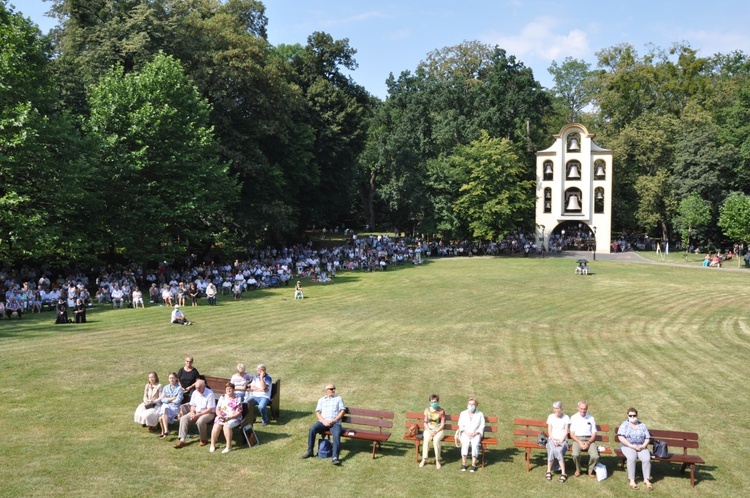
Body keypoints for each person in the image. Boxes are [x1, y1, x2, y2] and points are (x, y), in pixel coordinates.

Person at [300, 383, 345, 465]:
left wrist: (335, 420)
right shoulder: (321, 400)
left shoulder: (338, 398)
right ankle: (310, 452)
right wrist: (324, 421)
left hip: (335, 423)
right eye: (331, 389)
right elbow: (317, 412)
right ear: (327, 390)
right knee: (312, 429)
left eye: (334, 388)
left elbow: (342, 411)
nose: (333, 390)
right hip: (323, 422)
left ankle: (335, 457)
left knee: (336, 435)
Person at [618, 407, 653, 490]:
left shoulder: (642, 425)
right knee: (631, 458)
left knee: (646, 458)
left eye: (634, 415)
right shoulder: (624, 424)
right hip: (627, 446)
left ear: (637, 415)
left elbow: (647, 438)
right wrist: (631, 445)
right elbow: (621, 437)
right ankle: (632, 480)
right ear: (627, 415)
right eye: (630, 415)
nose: (632, 417)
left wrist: (643, 446)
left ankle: (646, 479)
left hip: (641, 446)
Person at [174, 379, 216, 449]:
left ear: (204, 386)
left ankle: (204, 440)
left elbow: (210, 409)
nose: (197, 389)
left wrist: (198, 415)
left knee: (200, 421)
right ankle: (182, 440)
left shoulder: (210, 393)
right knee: (184, 418)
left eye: (199, 387)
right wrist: (192, 413)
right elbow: (192, 405)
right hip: (196, 411)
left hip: (208, 413)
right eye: (196, 387)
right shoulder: (195, 392)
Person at [210, 383, 243, 453]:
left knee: (226, 426)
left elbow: (239, 412)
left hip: (234, 418)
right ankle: (212, 445)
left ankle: (229, 446)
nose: (229, 390)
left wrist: (230, 417)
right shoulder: (222, 397)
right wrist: (219, 415)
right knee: (216, 425)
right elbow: (217, 409)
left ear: (233, 389)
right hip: (222, 417)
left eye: (230, 389)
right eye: (227, 389)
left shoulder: (238, 398)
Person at [569, 400, 599, 478]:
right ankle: (578, 469)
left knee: (595, 456)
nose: (583, 410)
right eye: (581, 408)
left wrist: (588, 443)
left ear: (587, 408)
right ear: (578, 408)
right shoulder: (573, 417)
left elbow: (594, 433)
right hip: (577, 439)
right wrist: (580, 442)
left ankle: (589, 470)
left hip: (589, 439)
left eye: (585, 409)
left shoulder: (591, 418)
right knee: (575, 455)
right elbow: (572, 434)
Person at [457, 397, 485, 472]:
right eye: (470, 404)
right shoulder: (463, 413)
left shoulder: (480, 414)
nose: (471, 405)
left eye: (473, 404)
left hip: (476, 434)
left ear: (476, 405)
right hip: (465, 433)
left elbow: (482, 425)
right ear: (467, 404)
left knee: (475, 444)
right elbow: (460, 424)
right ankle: (463, 463)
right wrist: (466, 432)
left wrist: (476, 433)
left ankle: (473, 464)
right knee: (465, 444)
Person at [545, 401, 570, 482]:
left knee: (558, 451)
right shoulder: (550, 417)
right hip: (552, 439)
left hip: (562, 440)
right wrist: (554, 440)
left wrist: (561, 441)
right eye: (555, 408)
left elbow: (566, 431)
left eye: (558, 408)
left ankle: (563, 473)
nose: (556, 410)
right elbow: (549, 431)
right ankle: (548, 471)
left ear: (561, 409)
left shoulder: (566, 417)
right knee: (552, 450)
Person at [419, 394, 446, 469]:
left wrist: (436, 431)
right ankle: (424, 459)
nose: (433, 403)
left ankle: (437, 460)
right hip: (429, 430)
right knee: (426, 440)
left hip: (439, 430)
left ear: (438, 401)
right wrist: (429, 431)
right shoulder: (427, 410)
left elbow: (443, 424)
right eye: (432, 402)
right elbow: (425, 422)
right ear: (430, 402)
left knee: (436, 441)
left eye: (435, 401)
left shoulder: (441, 411)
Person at [157, 372, 183, 438]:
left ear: (176, 379)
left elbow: (178, 401)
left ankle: (165, 431)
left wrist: (167, 399)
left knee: (164, 407)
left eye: (173, 378)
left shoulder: (179, 388)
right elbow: (162, 399)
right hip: (167, 407)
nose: (172, 380)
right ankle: (166, 430)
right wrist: (172, 398)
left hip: (175, 408)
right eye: (170, 378)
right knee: (164, 407)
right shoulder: (165, 388)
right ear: (168, 379)